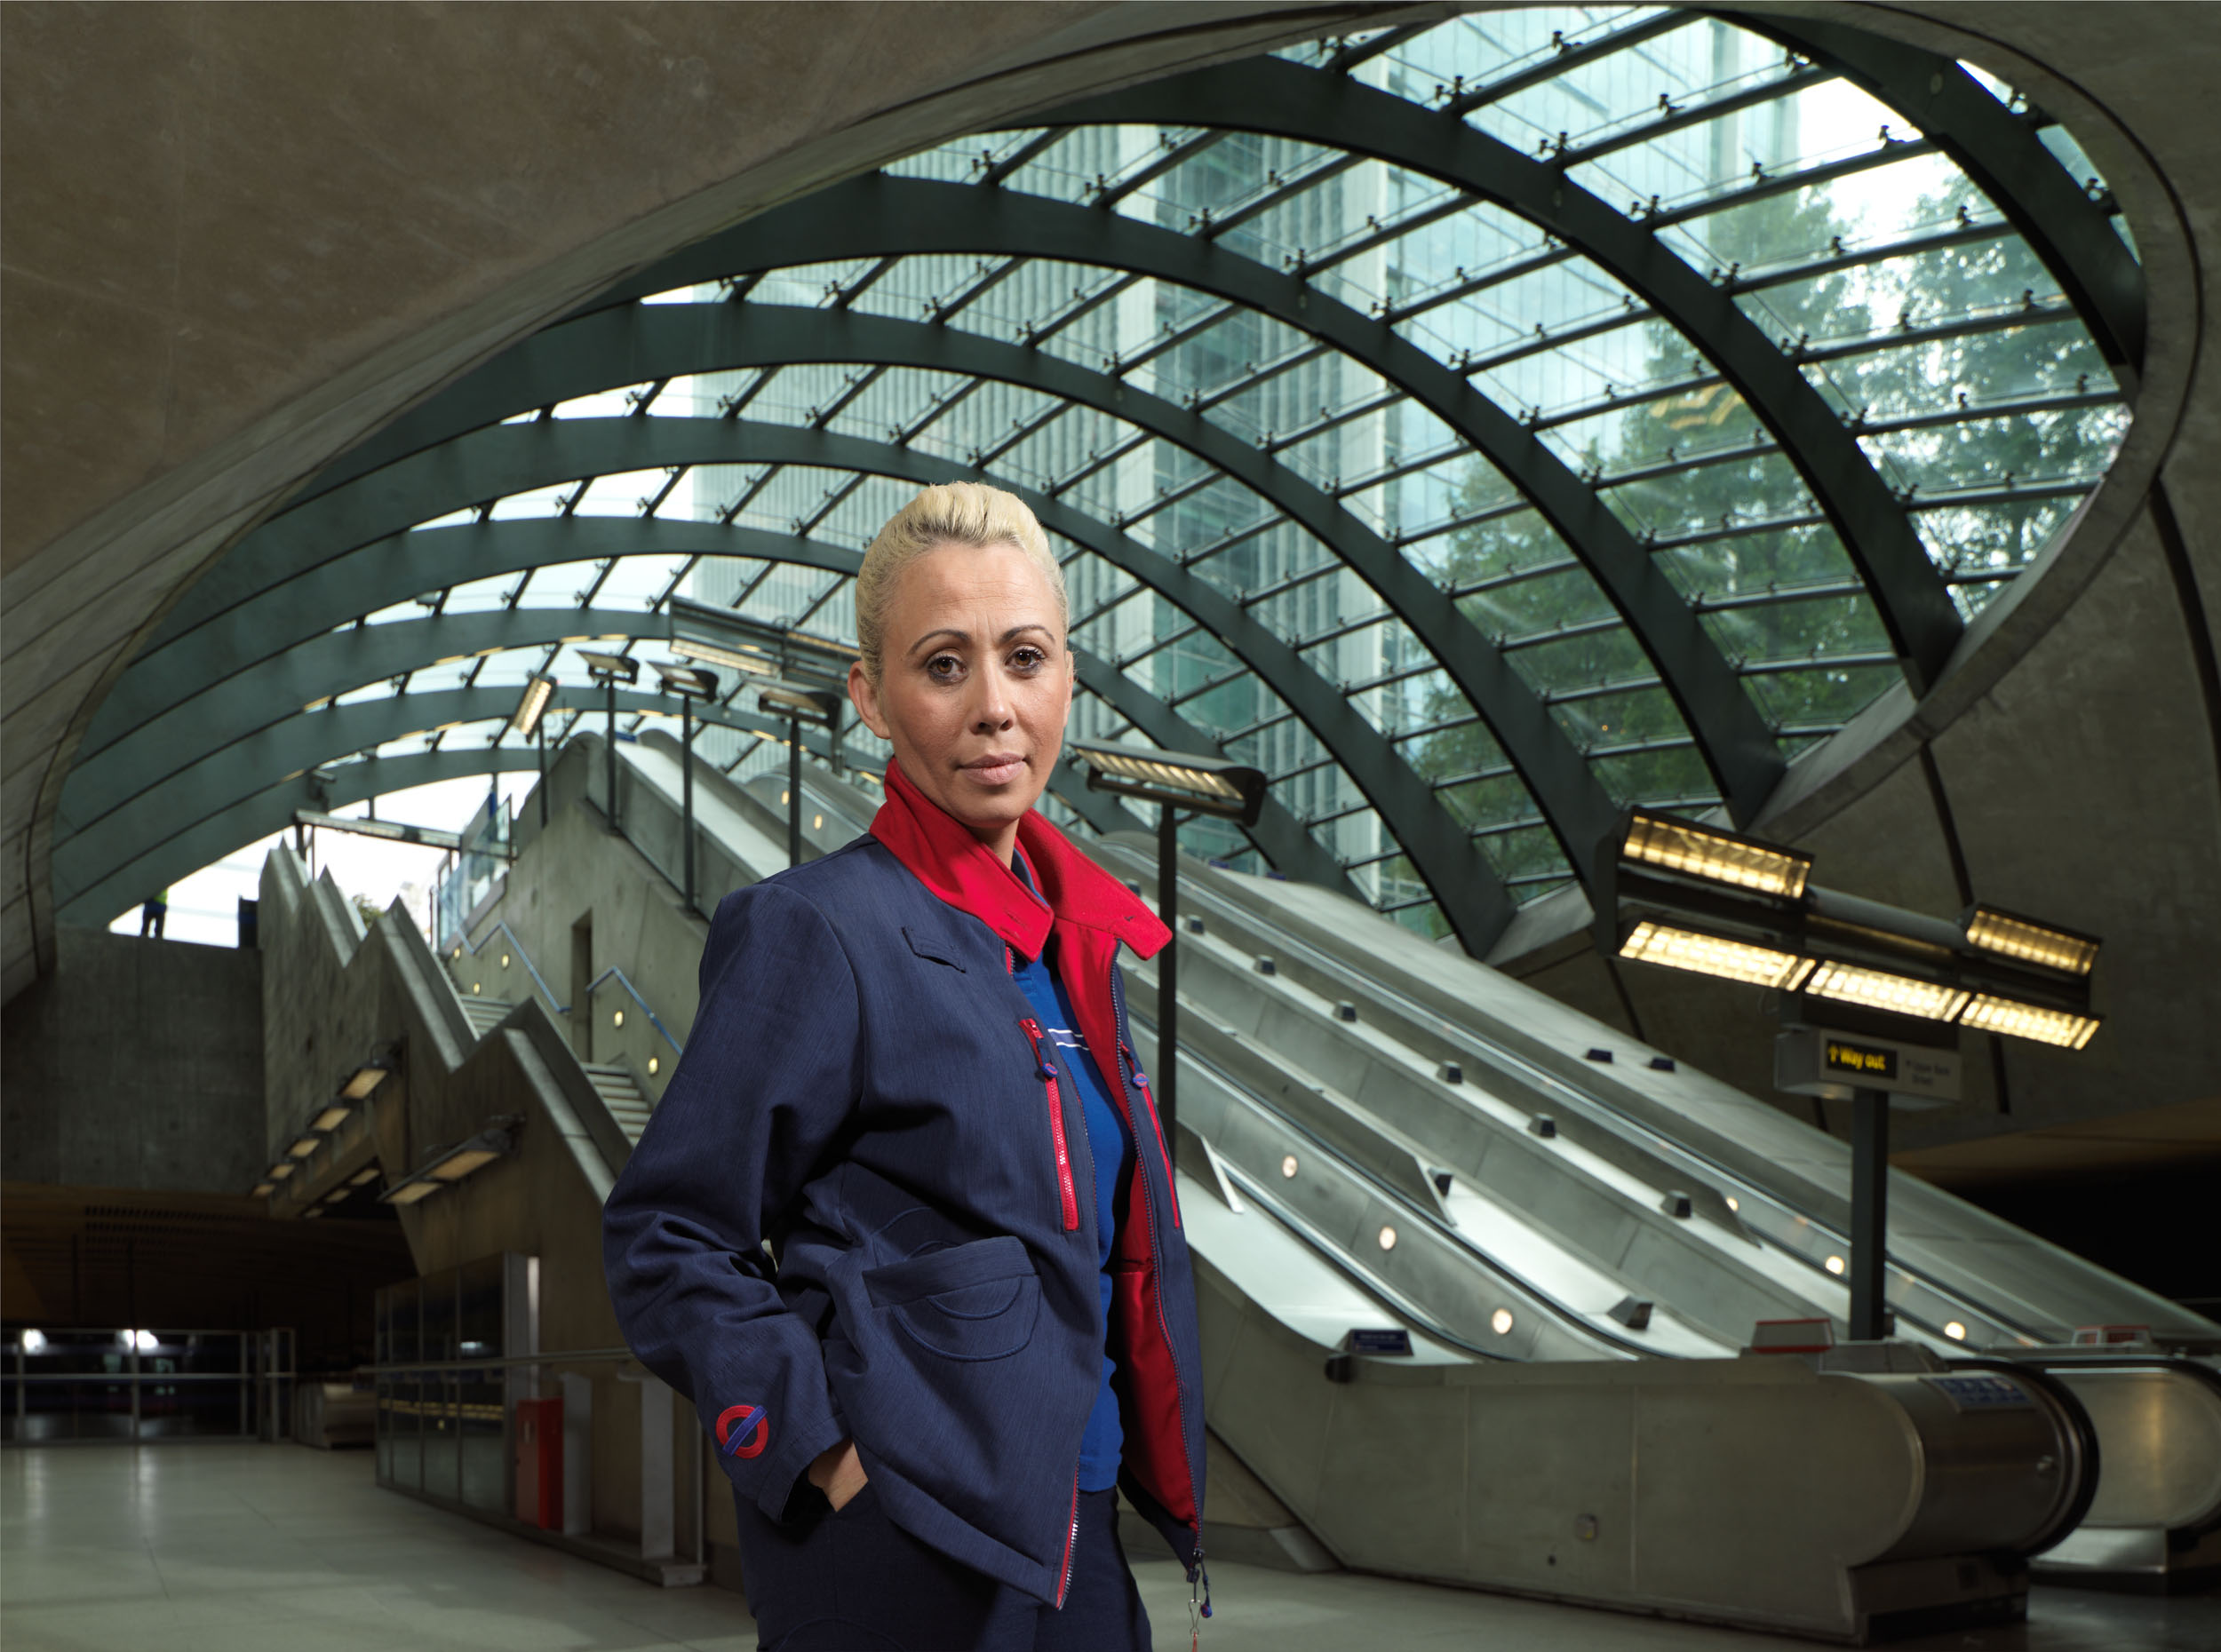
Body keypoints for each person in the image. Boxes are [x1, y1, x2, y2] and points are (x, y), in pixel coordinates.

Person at [603, 483, 1206, 1652]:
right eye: (944, 665)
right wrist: (821, 1457)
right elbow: (668, 1233)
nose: (993, 707)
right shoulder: (819, 932)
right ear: (871, 697)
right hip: (904, 1548)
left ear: (1066, 681)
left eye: (1024, 658)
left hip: (1074, 1530)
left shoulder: (1078, 949)